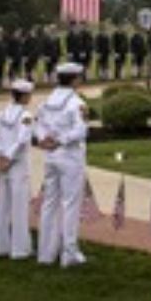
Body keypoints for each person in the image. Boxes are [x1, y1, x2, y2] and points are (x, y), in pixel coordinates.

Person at [36, 63, 89, 268]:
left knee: (49, 202)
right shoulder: (76, 103)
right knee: (70, 204)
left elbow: (38, 124)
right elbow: (81, 131)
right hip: (70, 156)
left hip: (51, 156)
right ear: (75, 79)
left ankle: (46, 253)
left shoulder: (47, 100)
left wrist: (44, 139)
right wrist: (60, 140)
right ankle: (69, 253)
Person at [0, 79, 35, 259]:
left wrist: (0, 155)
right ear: (25, 96)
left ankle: (1, 246)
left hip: (3, 162)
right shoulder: (26, 116)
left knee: (3, 206)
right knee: (19, 207)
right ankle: (20, 249)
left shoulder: (1, 114)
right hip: (17, 164)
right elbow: (22, 139)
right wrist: (8, 157)